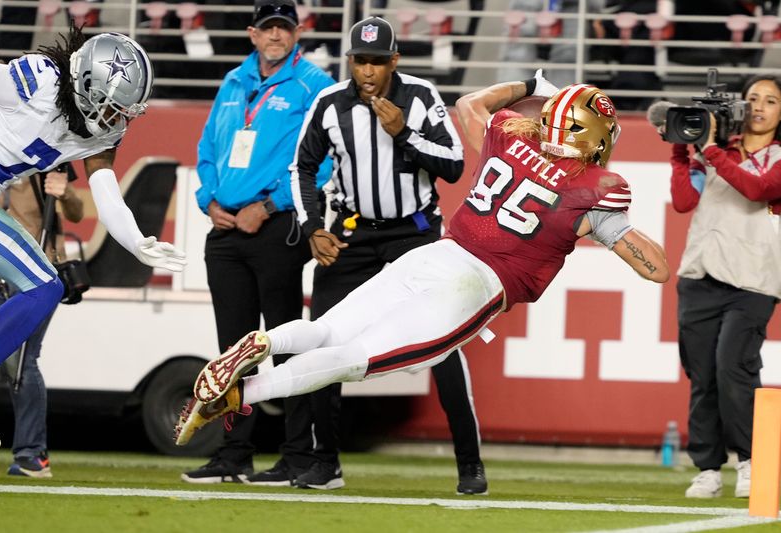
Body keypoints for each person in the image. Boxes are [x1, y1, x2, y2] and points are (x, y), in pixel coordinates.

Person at [175, 79, 670, 486]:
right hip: (478, 284)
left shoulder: (510, 135)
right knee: (357, 360)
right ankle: (243, 394)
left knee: (327, 329)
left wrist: (530, 85)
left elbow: (470, 104)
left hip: (434, 254)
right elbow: (656, 268)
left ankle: (265, 340)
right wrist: (614, 227)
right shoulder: (596, 190)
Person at [250, 15, 495, 495]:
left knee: (445, 345)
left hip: (415, 233)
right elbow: (301, 168)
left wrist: (404, 132)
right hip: (354, 234)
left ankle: (470, 464)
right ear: (349, 63)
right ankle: (326, 463)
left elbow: (454, 165)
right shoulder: (329, 103)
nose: (368, 71)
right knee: (322, 339)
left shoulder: (420, 97)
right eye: (360, 61)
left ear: (394, 62)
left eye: (377, 62)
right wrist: (313, 228)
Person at [182, 0, 334, 484]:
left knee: (286, 345)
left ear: (297, 32)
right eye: (267, 29)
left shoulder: (314, 85)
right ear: (252, 33)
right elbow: (207, 148)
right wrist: (208, 200)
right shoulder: (233, 82)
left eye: (284, 29)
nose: (276, 37)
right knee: (231, 350)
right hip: (225, 227)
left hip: (276, 226)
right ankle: (234, 453)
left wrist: (268, 207)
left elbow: (326, 160)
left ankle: (296, 455)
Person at [0, 27, 187, 364]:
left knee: (46, 288)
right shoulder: (38, 84)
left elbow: (108, 196)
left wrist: (136, 242)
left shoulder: (99, 137)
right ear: (85, 85)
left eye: (126, 111)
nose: (119, 119)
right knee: (43, 287)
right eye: (113, 108)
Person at [666, 75, 781, 499]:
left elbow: (757, 190)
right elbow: (685, 201)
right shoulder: (717, 153)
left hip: (755, 282)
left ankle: (750, 460)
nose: (759, 106)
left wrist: (712, 151)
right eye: (752, 98)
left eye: (770, 100)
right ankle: (708, 468)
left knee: (733, 367)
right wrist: (680, 151)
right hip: (701, 275)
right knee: (702, 375)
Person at [0, 165, 82, 478]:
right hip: (2, 271)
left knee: (21, 362)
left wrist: (66, 192)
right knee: (12, 360)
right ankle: (30, 452)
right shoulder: (7, 154)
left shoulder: (50, 158)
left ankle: (31, 453)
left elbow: (76, 212)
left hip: (39, 274)